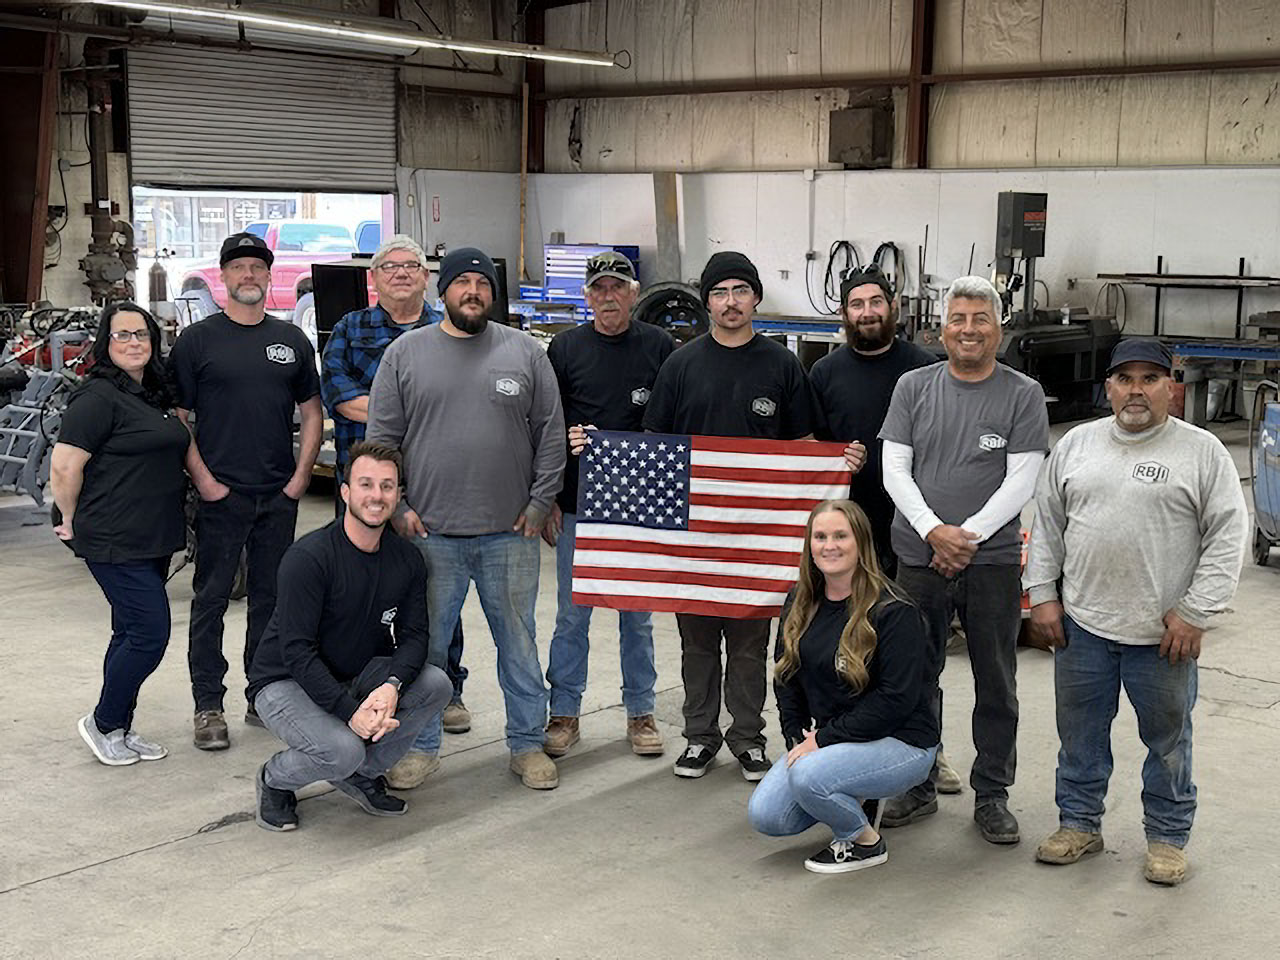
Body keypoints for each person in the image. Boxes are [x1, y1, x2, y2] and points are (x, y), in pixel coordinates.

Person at [1025, 338, 1247, 886]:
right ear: (1108, 388)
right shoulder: (1076, 445)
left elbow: (1227, 535)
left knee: (1168, 741)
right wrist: (1043, 596)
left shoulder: (1201, 452)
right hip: (1083, 625)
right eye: (1126, 379)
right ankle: (1079, 824)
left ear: (1172, 387)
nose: (1136, 390)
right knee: (1079, 735)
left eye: (1150, 379)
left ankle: (1168, 837)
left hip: (1164, 636)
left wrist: (1196, 612)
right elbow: (1049, 526)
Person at [367, 247, 566, 790]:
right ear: (443, 290)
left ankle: (526, 744)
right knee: (426, 648)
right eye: (462, 282)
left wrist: (540, 501)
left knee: (519, 645)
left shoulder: (525, 352)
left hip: (510, 533)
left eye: (482, 282)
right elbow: (381, 441)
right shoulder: (405, 354)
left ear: (492, 294)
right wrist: (399, 509)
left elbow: (551, 433)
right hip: (429, 536)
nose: (472, 291)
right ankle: (421, 746)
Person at [877, 275, 1049, 844]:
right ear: (941, 327)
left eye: (981, 319)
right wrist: (933, 533)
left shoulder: (1022, 393)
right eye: (959, 319)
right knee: (913, 676)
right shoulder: (912, 386)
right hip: (917, 559)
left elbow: (1022, 479)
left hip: (993, 563)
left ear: (999, 329)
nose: (968, 330)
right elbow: (894, 470)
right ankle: (918, 782)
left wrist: (964, 538)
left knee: (995, 681)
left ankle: (993, 794)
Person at [643, 251, 815, 782]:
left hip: (755, 535)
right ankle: (699, 737)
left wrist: (835, 467)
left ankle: (747, 738)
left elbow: (805, 447)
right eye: (720, 292)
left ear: (756, 298)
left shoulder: (781, 366)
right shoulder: (680, 364)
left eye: (741, 290)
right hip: (693, 534)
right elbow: (653, 446)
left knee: (747, 645)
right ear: (707, 301)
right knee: (696, 643)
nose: (731, 301)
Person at [246, 442, 453, 831]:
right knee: (343, 748)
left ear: (398, 495)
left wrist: (392, 685)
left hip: (355, 674)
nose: (377, 496)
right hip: (284, 681)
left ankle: (359, 773)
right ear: (345, 492)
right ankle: (275, 779)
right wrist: (350, 713)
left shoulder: (407, 560)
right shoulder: (309, 559)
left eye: (387, 486)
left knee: (435, 684)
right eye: (366, 484)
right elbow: (297, 652)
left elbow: (414, 637)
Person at [169, 231, 323, 751]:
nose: (249, 276)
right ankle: (208, 704)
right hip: (220, 497)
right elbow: (180, 418)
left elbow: (311, 412)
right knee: (211, 598)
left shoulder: (291, 341)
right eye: (239, 268)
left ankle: (264, 695)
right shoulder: (198, 341)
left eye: (258, 267)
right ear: (224, 276)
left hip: (278, 496)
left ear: (268, 275)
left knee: (272, 598)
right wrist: (205, 481)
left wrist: (300, 478)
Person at [810, 266, 961, 794]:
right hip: (849, 541)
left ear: (893, 308)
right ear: (844, 313)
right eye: (857, 304)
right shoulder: (825, 374)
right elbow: (810, 448)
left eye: (877, 302)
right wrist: (831, 457)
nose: (868, 312)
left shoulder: (925, 369)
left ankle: (928, 749)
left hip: (913, 538)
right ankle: (860, 748)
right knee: (852, 651)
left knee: (917, 652)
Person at [321, 234, 471, 736]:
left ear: (426, 277)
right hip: (365, 491)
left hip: (431, 490)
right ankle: (363, 684)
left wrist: (402, 410)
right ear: (375, 277)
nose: (401, 273)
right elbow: (340, 396)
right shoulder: (349, 328)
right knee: (356, 591)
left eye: (411, 265)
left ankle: (446, 687)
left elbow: (464, 398)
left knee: (435, 591)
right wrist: (417, 412)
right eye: (390, 266)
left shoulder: (448, 328)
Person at [747, 500, 939, 873]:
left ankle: (864, 841)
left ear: (860, 543)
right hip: (837, 737)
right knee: (768, 817)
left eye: (840, 536)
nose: (829, 545)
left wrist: (821, 743)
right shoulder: (800, 601)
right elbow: (786, 677)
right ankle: (850, 788)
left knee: (807, 775)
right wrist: (795, 733)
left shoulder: (895, 610)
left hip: (903, 741)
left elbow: (896, 700)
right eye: (820, 536)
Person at [541, 252, 675, 758]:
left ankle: (641, 713)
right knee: (572, 617)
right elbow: (548, 425)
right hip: (578, 505)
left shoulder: (659, 346)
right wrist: (551, 495)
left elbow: (669, 423)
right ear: (587, 296)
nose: (608, 297)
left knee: (636, 618)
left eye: (617, 287)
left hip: (640, 509)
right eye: (598, 289)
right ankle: (565, 713)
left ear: (634, 292)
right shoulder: (566, 347)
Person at [50, 303, 195, 766]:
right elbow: (65, 464)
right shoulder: (97, 397)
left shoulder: (149, 393)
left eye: (142, 334)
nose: (134, 343)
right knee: (150, 633)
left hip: (150, 535)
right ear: (105, 345)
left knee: (127, 631)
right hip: (112, 535)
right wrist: (70, 519)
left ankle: (120, 727)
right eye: (122, 335)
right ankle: (104, 721)